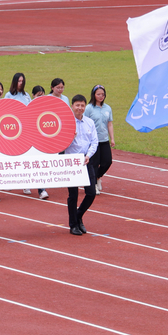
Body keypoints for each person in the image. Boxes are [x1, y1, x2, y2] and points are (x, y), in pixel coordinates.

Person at [66, 95, 98, 235]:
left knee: (91, 192)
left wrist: (88, 155)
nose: (80, 108)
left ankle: (78, 216)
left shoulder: (89, 122)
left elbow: (94, 141)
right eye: (77, 105)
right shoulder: (67, 123)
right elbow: (62, 145)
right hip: (71, 162)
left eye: (82, 105)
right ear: (72, 106)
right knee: (73, 195)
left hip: (86, 160)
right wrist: (70, 137)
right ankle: (73, 224)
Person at [84, 85, 114, 192]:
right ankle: (94, 184)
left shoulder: (107, 108)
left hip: (104, 139)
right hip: (93, 141)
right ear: (94, 95)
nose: (101, 96)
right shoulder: (89, 108)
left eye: (103, 94)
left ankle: (97, 177)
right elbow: (85, 123)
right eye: (98, 94)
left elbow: (109, 124)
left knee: (107, 161)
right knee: (95, 163)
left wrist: (112, 138)